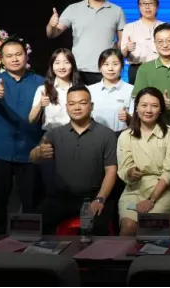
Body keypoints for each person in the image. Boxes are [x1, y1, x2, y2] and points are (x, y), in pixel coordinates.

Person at [30, 86, 118, 235]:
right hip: (61, 198)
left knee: (99, 232)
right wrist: (39, 153)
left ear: (91, 106)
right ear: (67, 107)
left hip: (94, 196)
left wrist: (100, 199)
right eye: (71, 104)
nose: (77, 107)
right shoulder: (55, 133)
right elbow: (32, 157)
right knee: (35, 227)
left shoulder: (107, 135)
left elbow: (111, 171)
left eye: (82, 103)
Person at [0, 38, 45, 235]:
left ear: (26, 56)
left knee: (32, 205)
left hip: (30, 153)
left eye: (18, 54)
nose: (15, 59)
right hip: (0, 152)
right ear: (2, 60)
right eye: (9, 56)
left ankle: (32, 246)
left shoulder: (40, 82)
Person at [116, 87, 170, 236]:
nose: (148, 110)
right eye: (144, 105)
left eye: (154, 106)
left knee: (148, 227)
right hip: (134, 189)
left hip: (163, 191)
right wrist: (130, 172)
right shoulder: (126, 136)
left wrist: (151, 199)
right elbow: (124, 166)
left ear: (161, 109)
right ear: (136, 108)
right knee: (128, 227)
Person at [46, 0, 126, 85]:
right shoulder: (73, 9)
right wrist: (51, 25)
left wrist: (117, 61)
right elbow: (52, 34)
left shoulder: (117, 11)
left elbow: (122, 43)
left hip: (106, 70)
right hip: (79, 70)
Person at [29, 49, 82, 131]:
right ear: (52, 66)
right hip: (51, 135)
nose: (62, 67)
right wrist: (40, 104)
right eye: (57, 63)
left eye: (66, 62)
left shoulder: (82, 90)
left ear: (72, 65)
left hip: (75, 134)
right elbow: (31, 120)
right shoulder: (43, 89)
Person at [120, 0, 164, 84]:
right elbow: (122, 55)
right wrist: (127, 49)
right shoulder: (130, 27)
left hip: (161, 68)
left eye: (151, 3)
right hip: (137, 69)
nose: (147, 7)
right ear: (139, 6)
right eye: (144, 3)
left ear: (157, 5)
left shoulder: (165, 27)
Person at [87, 48, 133, 132]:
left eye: (115, 64)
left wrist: (128, 117)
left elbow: (137, 121)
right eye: (106, 64)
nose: (110, 68)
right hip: (95, 135)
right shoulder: (90, 90)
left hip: (121, 135)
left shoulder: (131, 90)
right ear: (100, 68)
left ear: (122, 67)